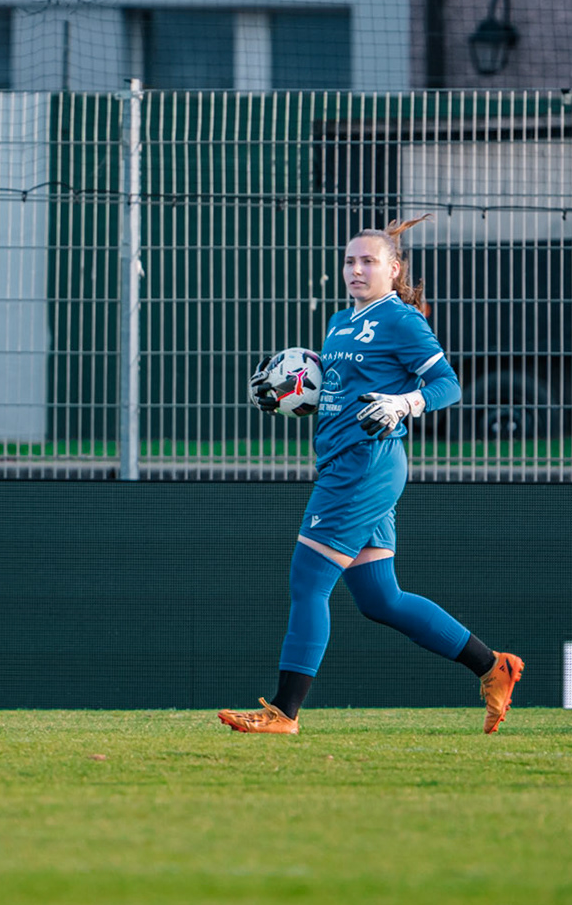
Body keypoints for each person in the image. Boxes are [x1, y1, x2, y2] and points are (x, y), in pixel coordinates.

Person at [219, 218, 524, 735]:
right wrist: (292, 389)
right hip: (346, 461)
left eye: (368, 261)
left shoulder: (402, 320)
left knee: (308, 581)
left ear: (393, 268)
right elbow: (336, 389)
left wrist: (407, 402)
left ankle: (282, 713)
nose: (356, 270)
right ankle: (494, 666)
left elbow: (447, 385)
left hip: (367, 464)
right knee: (381, 598)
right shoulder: (339, 321)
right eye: (349, 261)